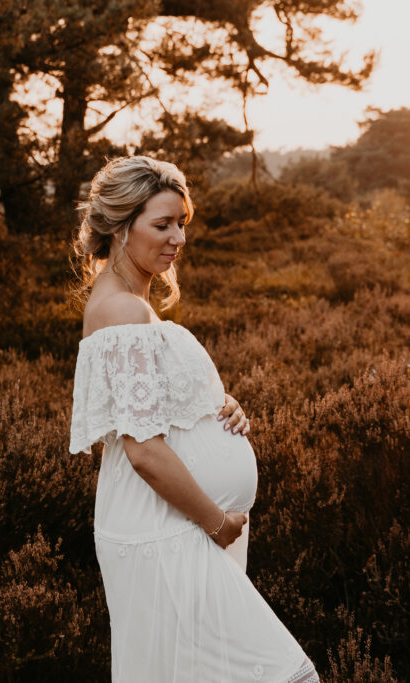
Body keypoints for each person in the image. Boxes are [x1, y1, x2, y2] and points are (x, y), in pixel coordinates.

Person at [68, 155, 320, 682]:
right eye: (162, 224)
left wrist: (218, 405)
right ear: (119, 227)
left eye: (181, 222)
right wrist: (217, 521)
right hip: (167, 530)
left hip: (178, 528)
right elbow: (143, 451)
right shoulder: (122, 310)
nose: (177, 238)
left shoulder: (134, 303)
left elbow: (156, 411)